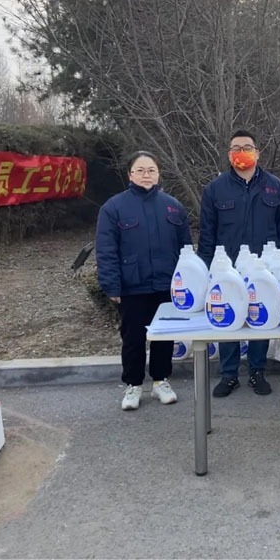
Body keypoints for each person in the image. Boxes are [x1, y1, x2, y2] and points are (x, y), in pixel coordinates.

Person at [199, 129, 280, 398]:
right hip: (226, 268)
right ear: (230, 155)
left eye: (247, 147)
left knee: (260, 317)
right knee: (228, 318)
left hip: (265, 268)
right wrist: (206, 270)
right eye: (236, 148)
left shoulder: (275, 187)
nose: (242, 152)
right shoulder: (215, 189)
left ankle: (257, 372)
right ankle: (229, 375)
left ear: (257, 153)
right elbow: (207, 235)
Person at [96, 151, 192, 411]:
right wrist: (111, 285)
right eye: (140, 170)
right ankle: (133, 385)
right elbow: (106, 249)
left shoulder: (173, 206)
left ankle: (161, 381)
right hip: (132, 286)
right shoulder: (114, 208)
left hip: (167, 285)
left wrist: (187, 282)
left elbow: (186, 249)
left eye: (151, 170)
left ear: (158, 174)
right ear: (130, 175)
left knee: (164, 336)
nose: (146, 175)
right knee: (133, 338)